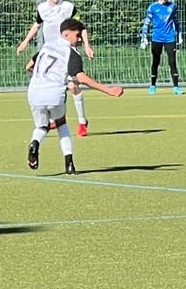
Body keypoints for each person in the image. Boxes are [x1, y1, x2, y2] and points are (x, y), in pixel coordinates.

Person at [25, 18, 122, 174]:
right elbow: (81, 78)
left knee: (42, 126)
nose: (79, 39)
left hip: (34, 92)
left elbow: (29, 66)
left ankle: (35, 143)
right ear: (66, 34)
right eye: (77, 35)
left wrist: (45, 78)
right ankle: (69, 164)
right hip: (54, 94)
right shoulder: (71, 53)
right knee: (61, 124)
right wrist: (108, 89)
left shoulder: (47, 46)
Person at [17, 0, 95, 136]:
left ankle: (82, 122)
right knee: (30, 67)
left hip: (65, 51)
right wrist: (25, 42)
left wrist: (87, 45)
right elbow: (37, 25)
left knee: (73, 86)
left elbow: (81, 27)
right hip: (49, 51)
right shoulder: (42, 9)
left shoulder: (68, 8)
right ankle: (56, 108)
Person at [139, 0, 183, 95]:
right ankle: (152, 85)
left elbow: (176, 22)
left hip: (170, 38)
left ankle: (176, 87)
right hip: (157, 38)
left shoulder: (172, 6)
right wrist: (144, 37)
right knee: (156, 61)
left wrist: (179, 35)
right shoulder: (152, 7)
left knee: (172, 61)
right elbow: (146, 23)